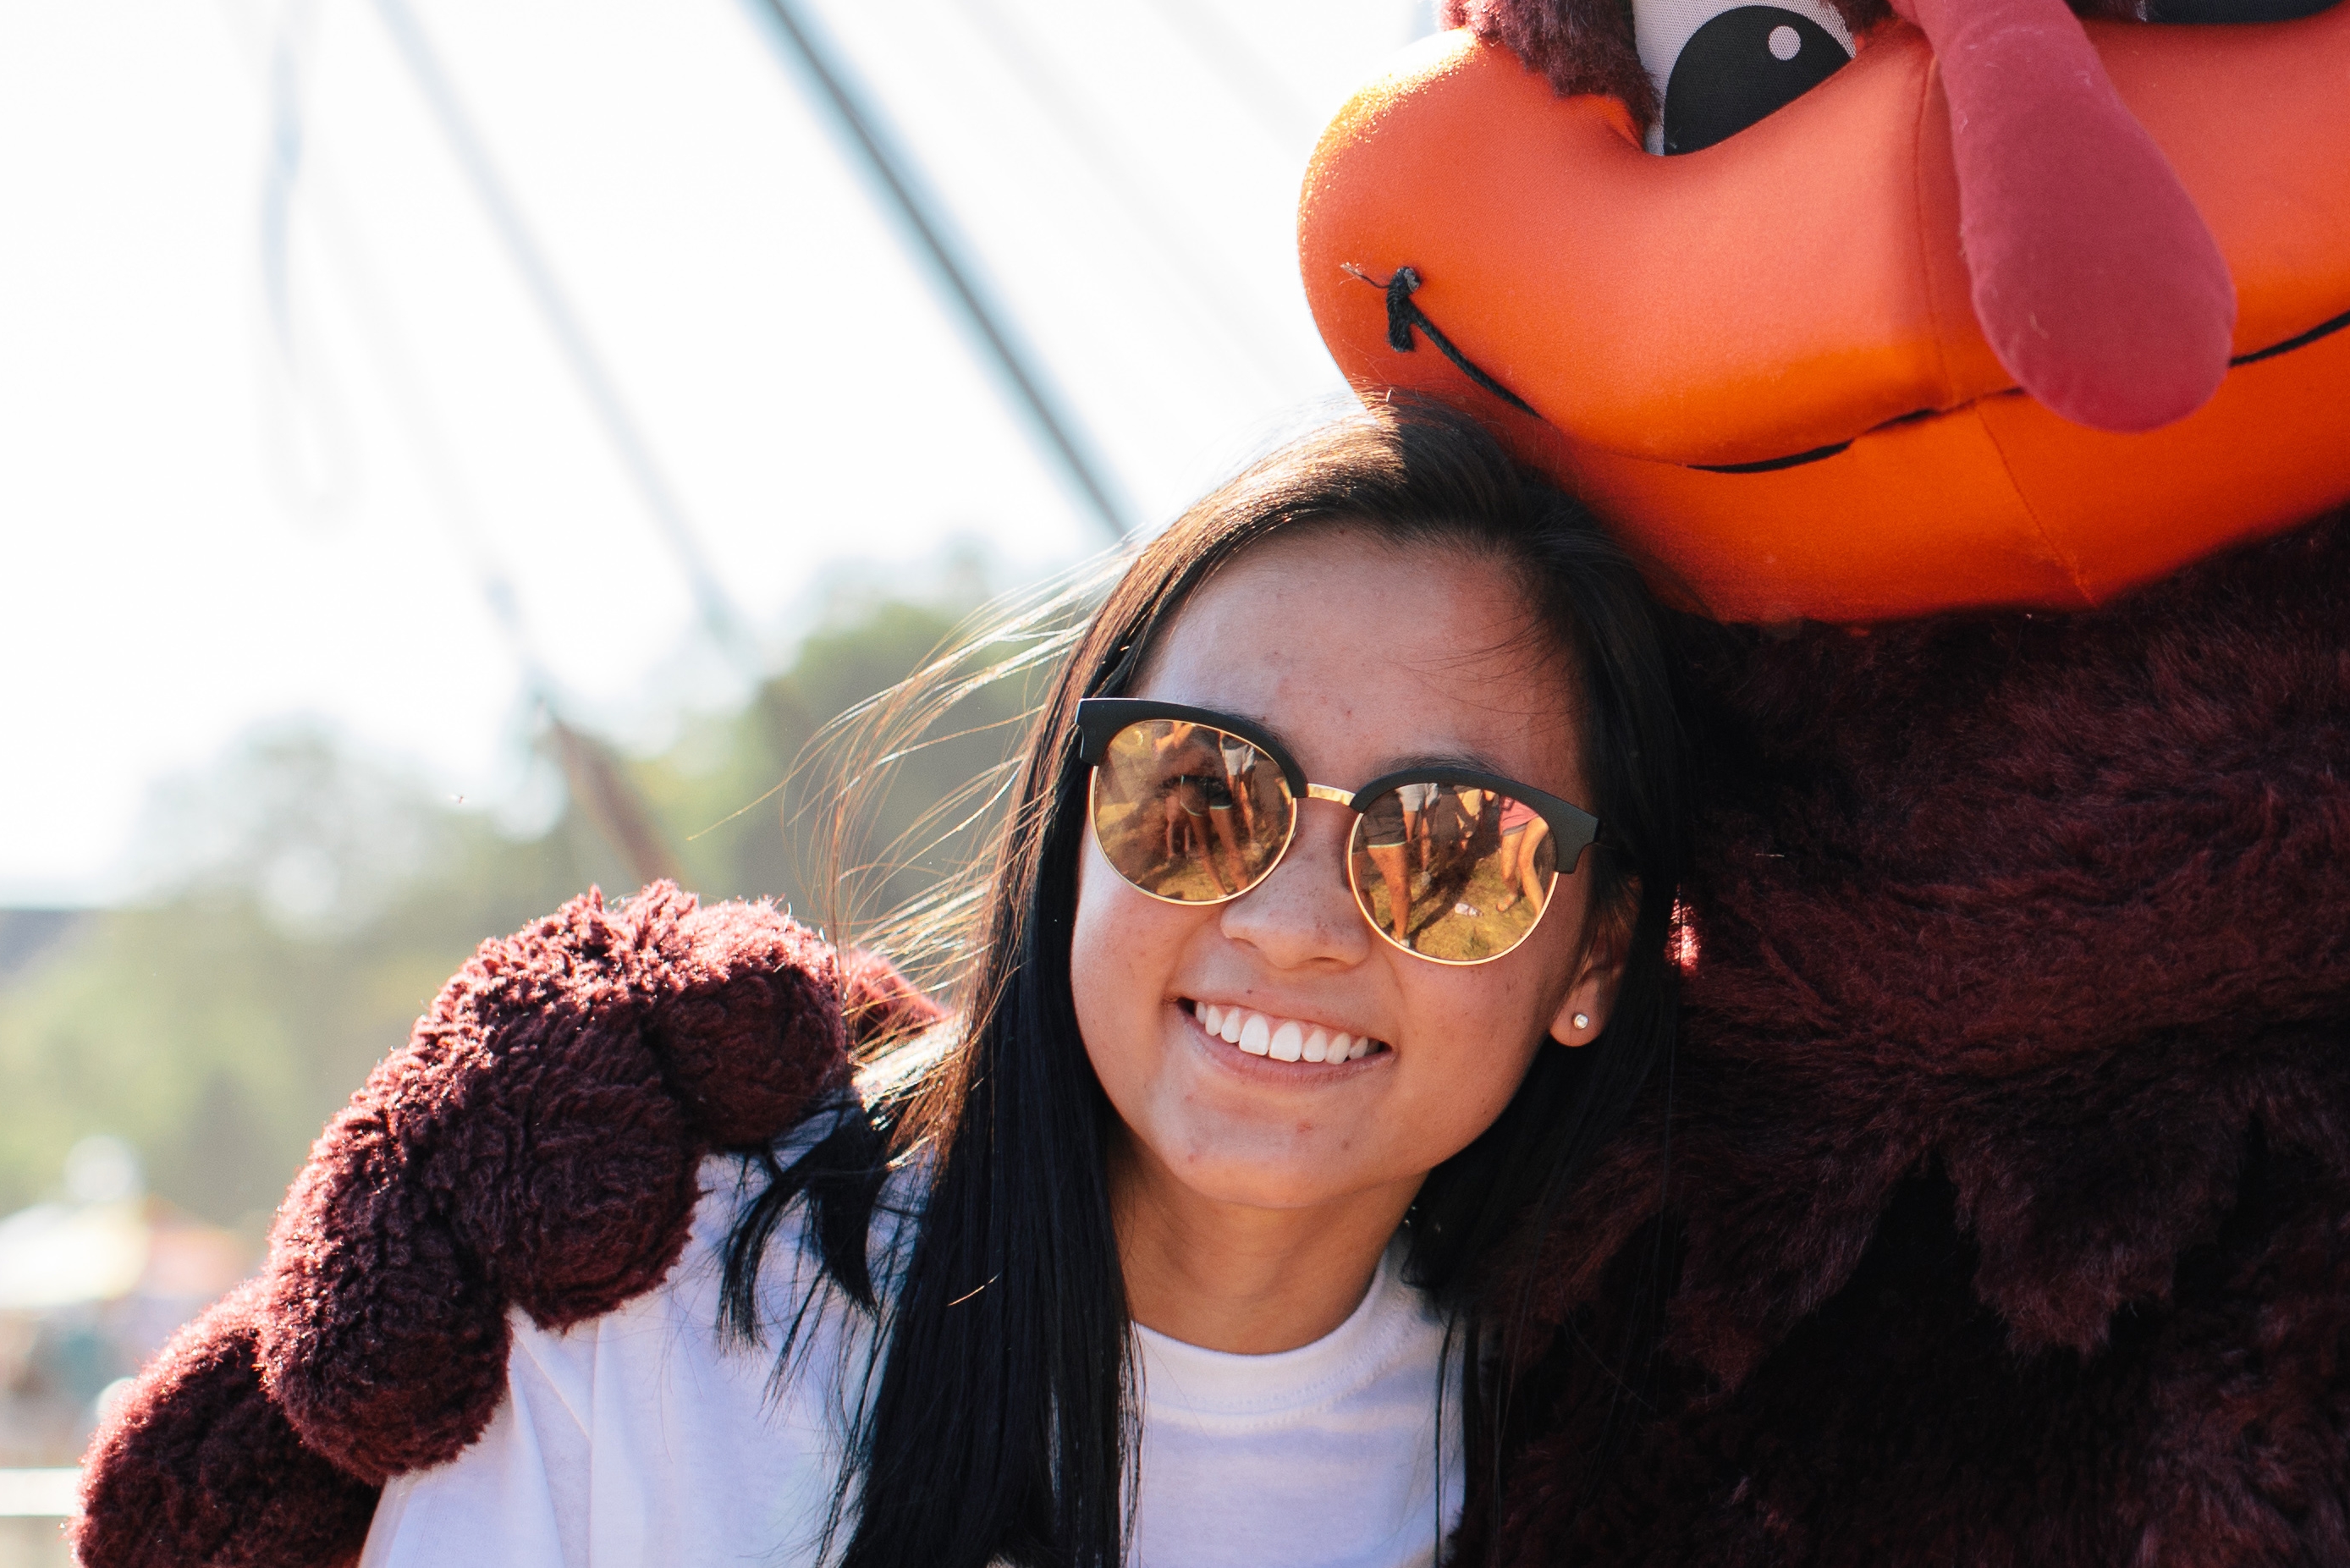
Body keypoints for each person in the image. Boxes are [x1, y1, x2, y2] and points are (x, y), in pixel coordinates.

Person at [349, 396, 1687, 1568]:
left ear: (1597, 956)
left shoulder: (1586, 1477)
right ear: (1073, 825)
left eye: (1453, 844)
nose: (1292, 924)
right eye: (1201, 788)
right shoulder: (653, 1311)